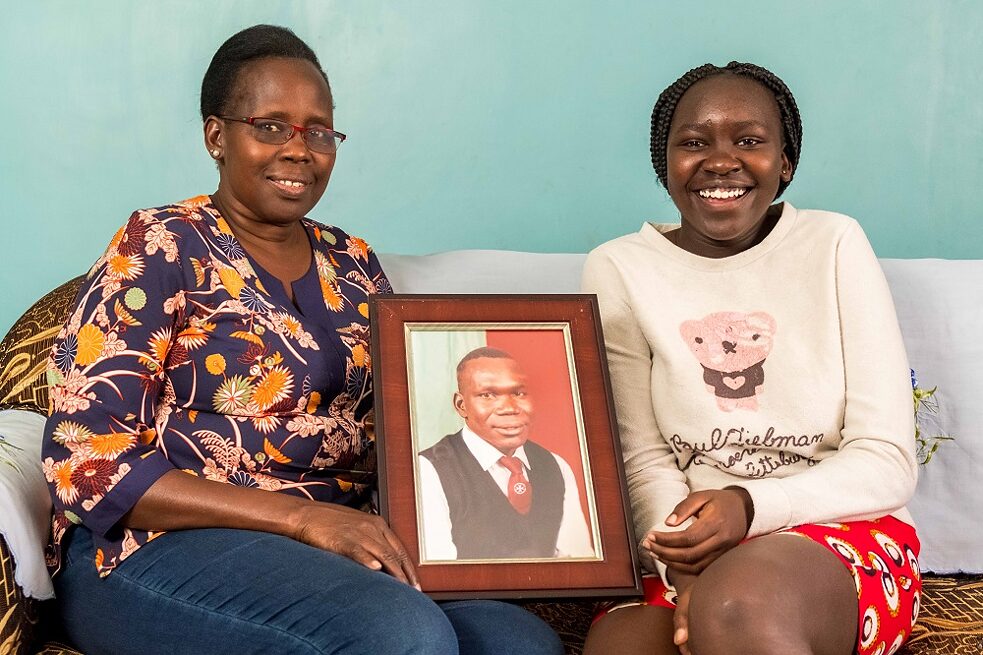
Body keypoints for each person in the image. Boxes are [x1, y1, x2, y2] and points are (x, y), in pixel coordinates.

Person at [41, 25, 563, 655]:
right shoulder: (161, 245)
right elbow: (85, 461)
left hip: (334, 546)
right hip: (154, 547)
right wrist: (302, 518)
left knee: (517, 642)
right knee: (400, 634)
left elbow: (406, 428)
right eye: (270, 127)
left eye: (318, 132)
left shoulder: (354, 262)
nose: (299, 150)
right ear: (216, 136)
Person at [581, 62, 920, 655]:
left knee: (738, 606)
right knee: (622, 646)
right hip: (690, 540)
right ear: (664, 164)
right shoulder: (619, 267)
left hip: (837, 528)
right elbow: (640, 460)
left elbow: (886, 460)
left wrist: (749, 506)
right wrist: (683, 564)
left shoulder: (834, 243)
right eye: (693, 143)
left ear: (784, 162)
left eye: (749, 141)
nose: (720, 162)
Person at [417, 347, 594, 561]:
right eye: (488, 395)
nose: (509, 408)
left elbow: (578, 559)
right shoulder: (429, 469)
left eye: (519, 393)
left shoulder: (556, 466)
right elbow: (439, 569)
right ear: (461, 405)